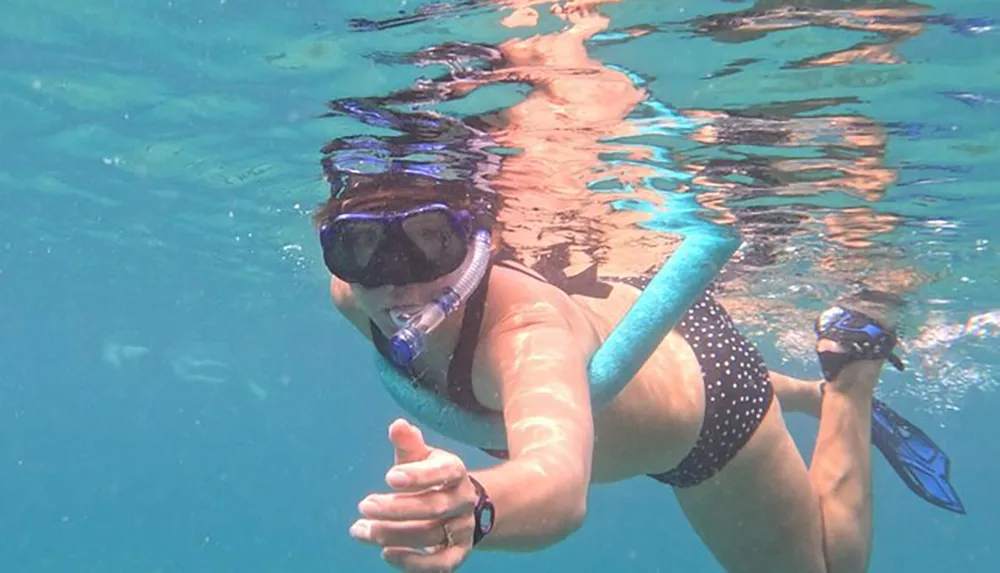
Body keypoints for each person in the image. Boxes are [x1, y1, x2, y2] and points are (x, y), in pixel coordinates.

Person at [316, 3, 960, 572]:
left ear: (477, 242)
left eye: (433, 240)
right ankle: (803, 394)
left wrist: (479, 508)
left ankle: (848, 374)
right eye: (361, 247)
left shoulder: (526, 334)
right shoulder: (353, 295)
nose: (400, 279)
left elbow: (560, 483)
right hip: (644, 326)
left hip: (710, 412)